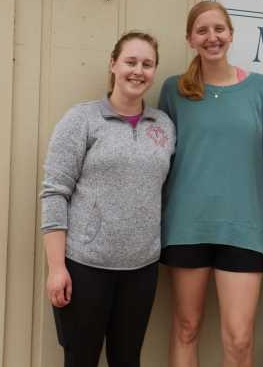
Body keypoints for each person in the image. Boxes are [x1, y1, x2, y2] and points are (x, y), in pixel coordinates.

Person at [39, 31, 175, 367]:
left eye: (147, 64)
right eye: (130, 61)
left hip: (142, 269)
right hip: (86, 267)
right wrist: (57, 268)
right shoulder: (82, 120)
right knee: (81, 358)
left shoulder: (164, 125)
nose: (138, 71)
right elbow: (55, 192)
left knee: (127, 359)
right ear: (113, 64)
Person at [158, 0, 263, 367]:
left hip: (245, 229)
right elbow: (161, 160)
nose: (212, 37)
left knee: (240, 339)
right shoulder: (173, 91)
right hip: (186, 226)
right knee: (186, 327)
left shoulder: (260, 89)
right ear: (190, 39)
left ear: (231, 34)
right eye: (202, 30)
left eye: (219, 29)